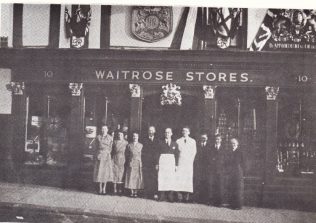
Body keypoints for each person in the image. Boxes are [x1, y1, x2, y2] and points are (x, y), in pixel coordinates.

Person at [175, 127, 197, 202]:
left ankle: (186, 197)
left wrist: (191, 161)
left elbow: (194, 152)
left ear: (189, 132)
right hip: (180, 162)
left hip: (188, 163)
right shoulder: (178, 141)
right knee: (180, 179)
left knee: (187, 179)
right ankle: (179, 197)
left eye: (186, 131)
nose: (184, 132)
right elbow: (176, 152)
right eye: (183, 131)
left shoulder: (192, 141)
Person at [157, 128, 178, 202]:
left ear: (171, 133)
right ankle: (161, 196)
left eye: (168, 132)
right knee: (162, 178)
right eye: (165, 132)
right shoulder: (160, 142)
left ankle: (170, 196)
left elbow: (177, 155)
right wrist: (157, 164)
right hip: (162, 161)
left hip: (171, 162)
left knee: (170, 178)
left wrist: (176, 165)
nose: (167, 134)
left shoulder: (175, 143)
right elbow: (157, 154)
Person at [93, 125, 113, 195]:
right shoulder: (98, 137)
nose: (103, 130)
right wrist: (97, 154)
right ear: (101, 130)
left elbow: (111, 148)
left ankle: (104, 188)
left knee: (106, 172)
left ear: (107, 130)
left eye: (105, 129)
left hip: (107, 156)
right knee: (100, 172)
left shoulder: (110, 138)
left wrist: (107, 153)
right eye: (102, 129)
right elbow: (95, 147)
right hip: (100, 156)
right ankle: (100, 188)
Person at [142, 126, 160, 199]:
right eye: (149, 130)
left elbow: (158, 152)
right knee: (147, 178)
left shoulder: (157, 140)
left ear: (154, 131)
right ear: (148, 131)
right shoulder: (144, 140)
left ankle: (154, 193)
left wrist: (157, 163)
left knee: (154, 178)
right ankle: (147, 193)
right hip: (146, 162)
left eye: (152, 130)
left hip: (154, 162)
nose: (151, 132)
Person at [193, 133, 211, 204]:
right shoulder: (197, 145)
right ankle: (197, 199)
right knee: (198, 182)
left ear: (207, 138)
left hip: (206, 167)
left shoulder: (210, 145)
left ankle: (205, 199)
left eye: (205, 138)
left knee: (205, 183)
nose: (203, 139)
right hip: (198, 166)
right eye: (202, 138)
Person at [209, 134, 226, 207]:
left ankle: (219, 202)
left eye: (219, 139)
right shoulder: (211, 148)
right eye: (216, 139)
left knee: (220, 186)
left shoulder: (224, 149)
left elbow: (225, 160)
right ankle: (212, 201)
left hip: (220, 170)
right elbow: (209, 158)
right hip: (212, 170)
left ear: (221, 140)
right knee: (212, 185)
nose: (217, 140)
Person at [125, 132, 143, 197]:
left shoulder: (141, 145)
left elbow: (142, 155)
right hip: (131, 162)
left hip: (138, 162)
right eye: (134, 136)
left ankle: (136, 192)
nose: (135, 137)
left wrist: (140, 162)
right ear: (132, 137)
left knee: (137, 177)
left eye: (136, 136)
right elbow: (127, 154)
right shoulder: (129, 145)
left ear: (138, 137)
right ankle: (131, 191)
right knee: (131, 177)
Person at [227, 138, 244, 210]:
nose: (232, 145)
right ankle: (232, 204)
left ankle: (239, 205)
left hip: (238, 172)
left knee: (238, 189)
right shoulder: (229, 151)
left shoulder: (240, 151)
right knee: (232, 188)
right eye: (231, 143)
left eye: (234, 143)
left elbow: (243, 162)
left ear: (237, 144)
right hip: (231, 172)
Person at [112, 130, 128, 195]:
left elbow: (127, 152)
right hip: (115, 158)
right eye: (118, 135)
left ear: (123, 136)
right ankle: (114, 189)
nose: (119, 136)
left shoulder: (126, 143)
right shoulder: (115, 142)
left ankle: (120, 189)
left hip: (122, 159)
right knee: (114, 173)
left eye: (121, 135)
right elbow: (112, 150)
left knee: (121, 174)